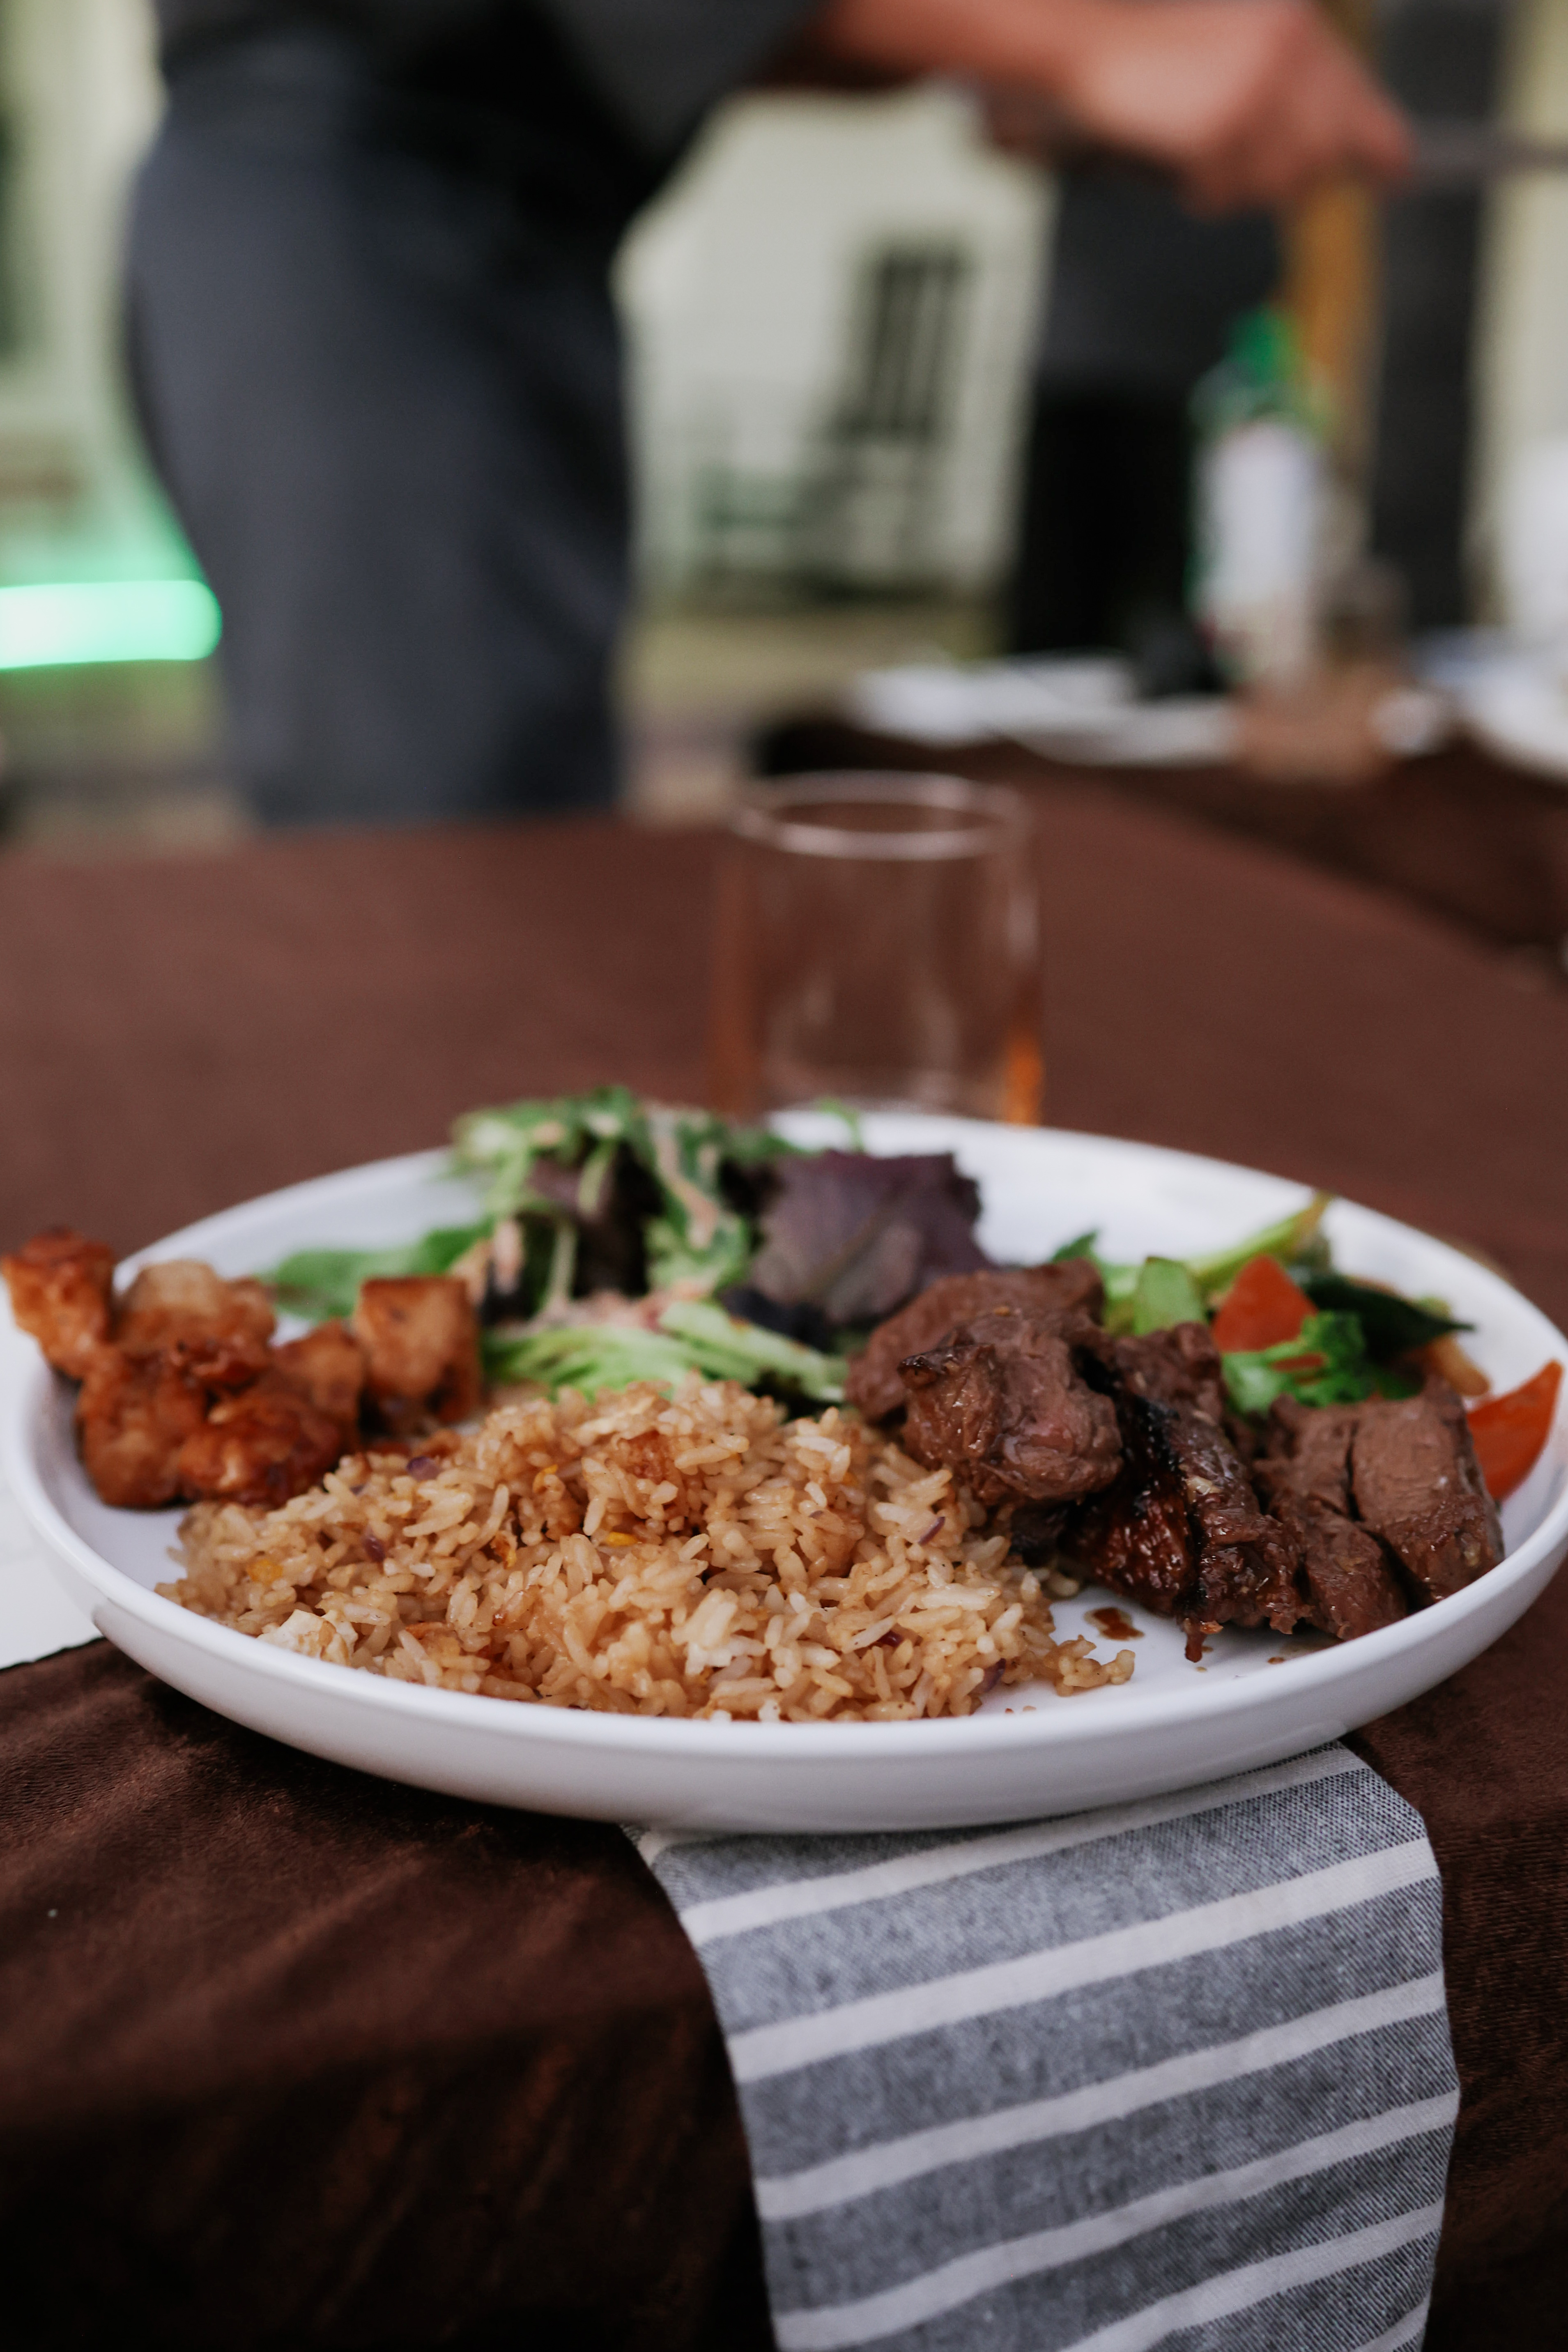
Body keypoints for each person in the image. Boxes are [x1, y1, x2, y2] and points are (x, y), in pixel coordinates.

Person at [131, 2, 1408, 826]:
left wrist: (1012, 57)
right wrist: (1094, 38)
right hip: (363, 194)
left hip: (471, 219)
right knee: (442, 884)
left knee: (507, 834)